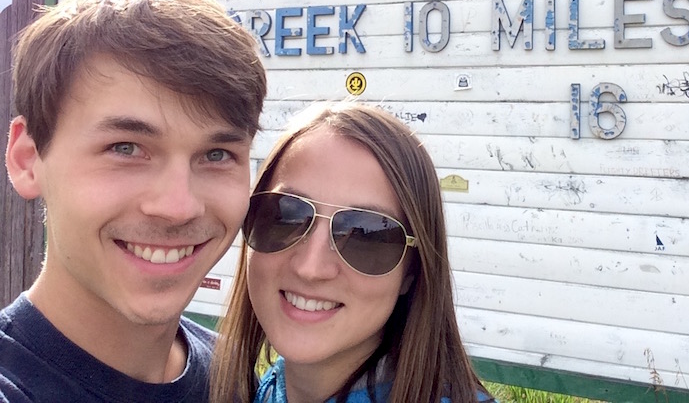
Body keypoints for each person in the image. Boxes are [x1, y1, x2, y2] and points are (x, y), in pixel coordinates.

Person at [0, 0, 267, 402]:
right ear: (27, 159)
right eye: (125, 148)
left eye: (216, 154)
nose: (178, 207)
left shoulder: (236, 379)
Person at [210, 103, 495, 403]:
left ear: (411, 272)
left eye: (365, 235)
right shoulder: (261, 389)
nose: (311, 268)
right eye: (285, 216)